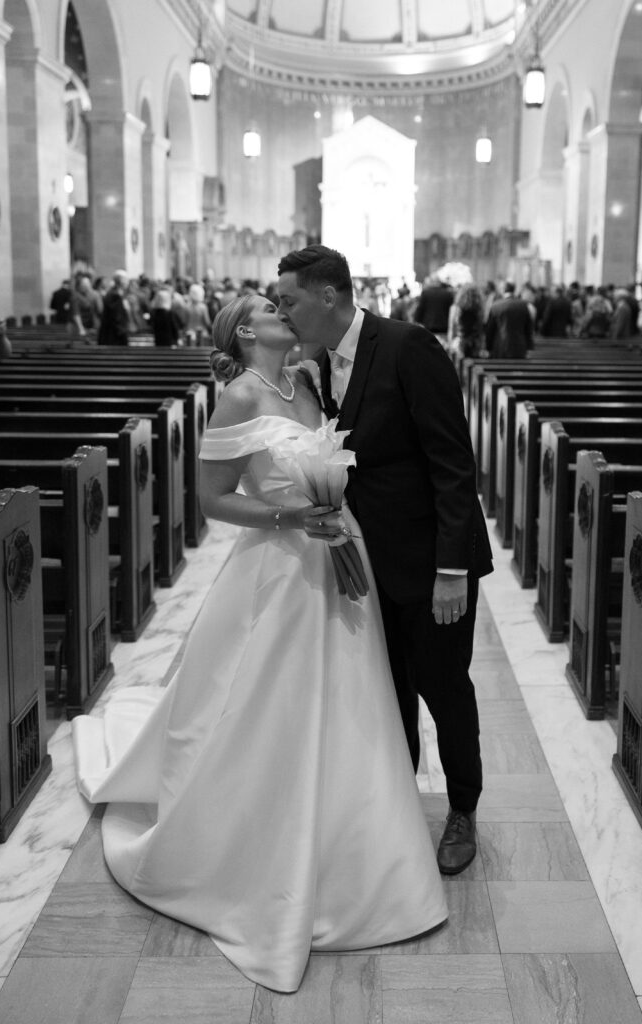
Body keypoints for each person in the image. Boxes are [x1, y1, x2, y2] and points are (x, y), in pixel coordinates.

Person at [72, 292, 447, 993]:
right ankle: (258, 847)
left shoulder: (303, 381)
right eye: (270, 308)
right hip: (280, 568)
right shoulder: (240, 398)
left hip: (340, 551)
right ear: (247, 331)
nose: (284, 312)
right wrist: (291, 515)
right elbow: (213, 501)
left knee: (352, 704)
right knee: (272, 707)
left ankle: (359, 846)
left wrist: (330, 513)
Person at [276, 244, 493, 878]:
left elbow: (452, 463)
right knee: (387, 688)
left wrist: (451, 569)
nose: (281, 312)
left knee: (444, 688)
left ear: (328, 296)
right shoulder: (316, 366)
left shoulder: (407, 346)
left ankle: (462, 810)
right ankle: (397, 801)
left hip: (427, 564)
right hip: (364, 565)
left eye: (288, 300)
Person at [484, 281, 533, 358]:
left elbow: (490, 329)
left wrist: (488, 347)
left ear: (503, 290)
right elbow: (528, 329)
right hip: (519, 347)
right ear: (514, 290)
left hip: (500, 346)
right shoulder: (523, 305)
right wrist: (529, 347)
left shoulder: (496, 305)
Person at [97, 269, 131, 345]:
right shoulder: (114, 296)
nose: (128, 282)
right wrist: (124, 337)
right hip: (113, 338)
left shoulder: (115, 294)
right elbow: (117, 319)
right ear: (121, 281)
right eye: (126, 280)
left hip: (112, 336)